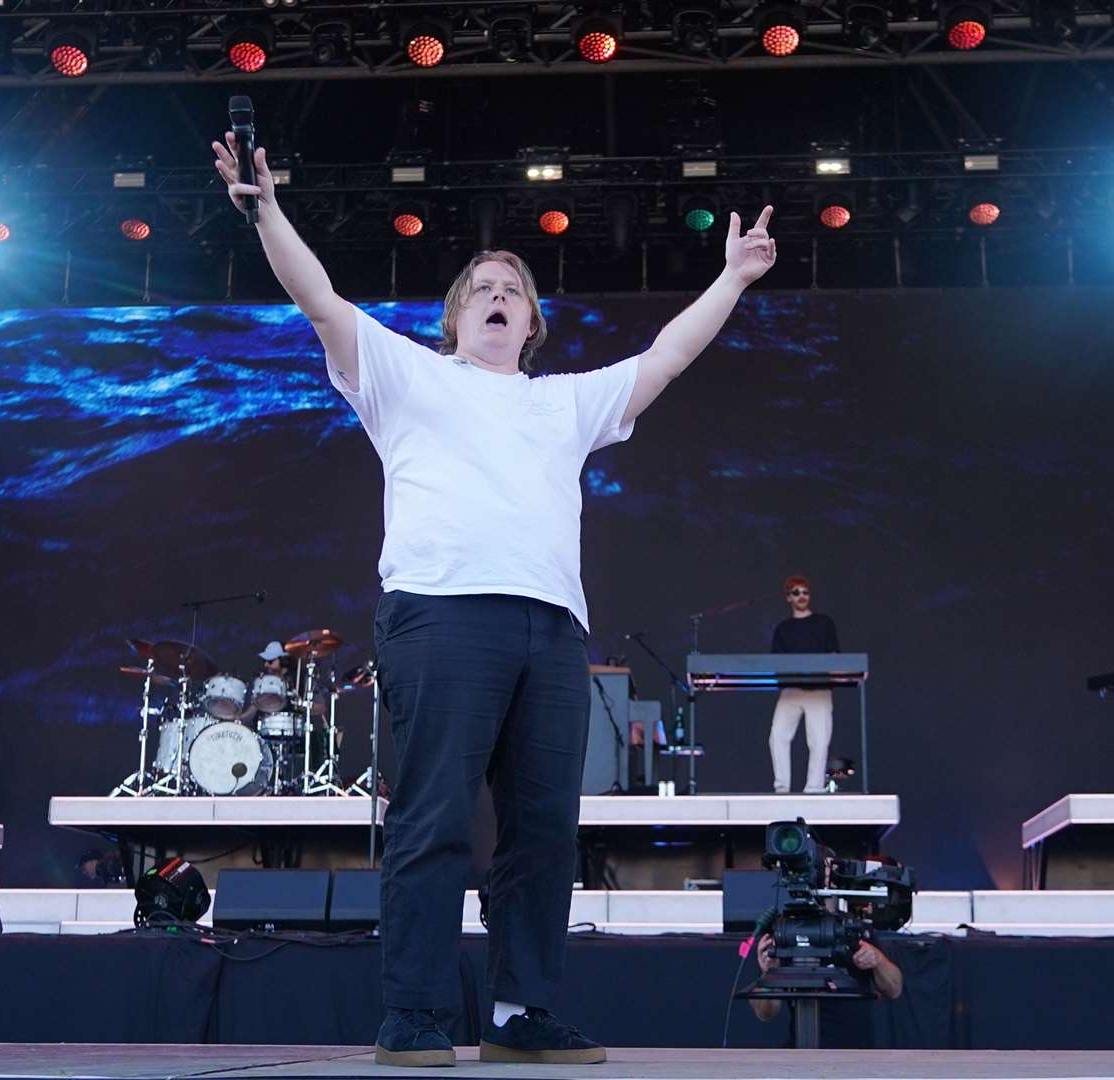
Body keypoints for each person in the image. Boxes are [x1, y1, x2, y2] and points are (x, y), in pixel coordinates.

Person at [213, 130, 777, 1067]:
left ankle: (521, 1016)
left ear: (531, 324)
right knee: (433, 820)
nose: (497, 297)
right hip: (439, 614)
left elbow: (666, 358)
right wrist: (266, 208)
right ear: (454, 318)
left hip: (552, 630)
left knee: (546, 832)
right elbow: (316, 298)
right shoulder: (407, 375)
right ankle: (418, 1015)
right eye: (481, 288)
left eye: (512, 290)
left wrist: (733, 280)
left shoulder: (565, 403)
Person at [748, 931, 903, 1042]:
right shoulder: (784, 932)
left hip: (857, 1056)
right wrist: (769, 973)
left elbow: (894, 989)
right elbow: (765, 1013)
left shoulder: (854, 930)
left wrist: (878, 960)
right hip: (803, 1051)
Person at [767, 576, 840, 793]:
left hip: (819, 690)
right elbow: (776, 662)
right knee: (777, 736)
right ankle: (781, 788)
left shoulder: (824, 623)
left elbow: (835, 655)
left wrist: (850, 672)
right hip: (791, 690)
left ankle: (814, 789)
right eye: (797, 592)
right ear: (789, 597)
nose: (802, 596)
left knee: (819, 741)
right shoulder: (783, 628)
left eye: (805, 592)